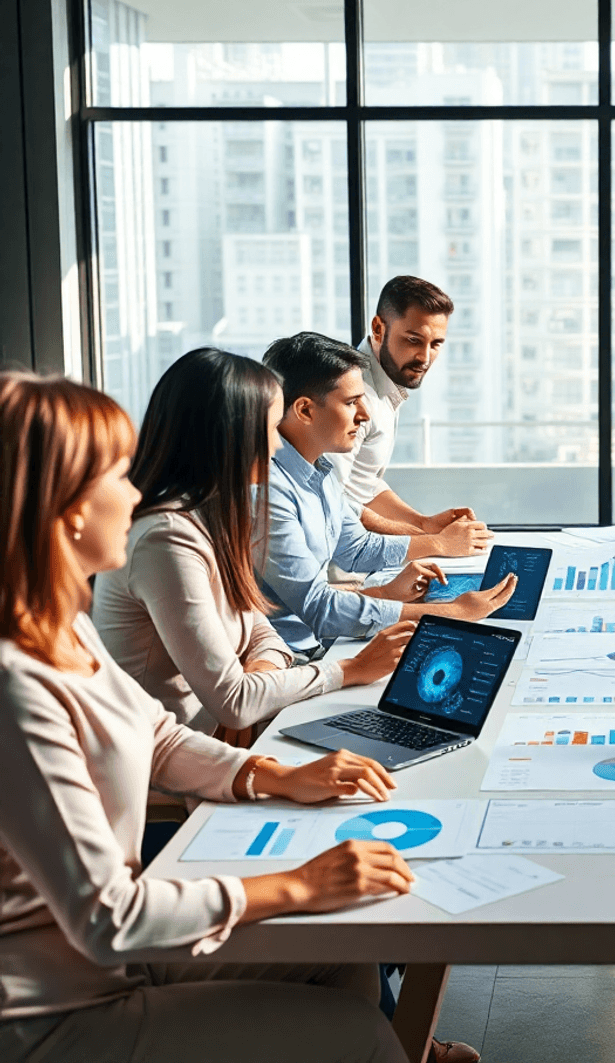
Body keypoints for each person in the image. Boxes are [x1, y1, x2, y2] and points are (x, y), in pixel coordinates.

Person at [0, 370, 418, 1063]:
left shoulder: (59, 631)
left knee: (347, 963)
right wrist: (298, 883)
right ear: (69, 508)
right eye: (117, 476)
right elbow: (111, 918)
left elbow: (159, 738)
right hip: (54, 1016)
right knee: (364, 1033)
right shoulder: (17, 687)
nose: (135, 493)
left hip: (105, 964)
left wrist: (274, 775)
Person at [92, 349, 415, 741]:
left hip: (227, 732)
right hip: (181, 752)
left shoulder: (212, 514)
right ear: (228, 436)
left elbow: (260, 628)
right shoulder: (165, 540)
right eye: (269, 429)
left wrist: (262, 671)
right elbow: (234, 702)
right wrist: (349, 670)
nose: (278, 447)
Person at [259, 332, 516, 655]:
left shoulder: (319, 470)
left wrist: (436, 544)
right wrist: (452, 612)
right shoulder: (267, 491)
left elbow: (356, 548)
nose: (364, 415)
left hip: (322, 644)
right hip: (288, 658)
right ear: (306, 411)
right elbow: (321, 609)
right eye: (352, 403)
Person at [328, 275, 490, 553]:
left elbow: (362, 483)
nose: (425, 358)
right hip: (334, 574)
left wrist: (424, 523)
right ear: (378, 328)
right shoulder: (354, 395)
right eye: (414, 340)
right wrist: (433, 542)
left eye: (436, 344)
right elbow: (331, 501)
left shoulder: (386, 384)